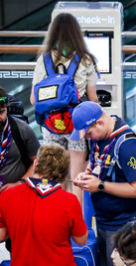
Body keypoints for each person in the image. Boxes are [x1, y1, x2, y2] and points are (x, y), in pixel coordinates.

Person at [0, 145, 88, 266]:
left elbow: (1, 235)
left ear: (36, 164)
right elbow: (81, 240)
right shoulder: (68, 201)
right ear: (63, 173)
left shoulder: (7, 196)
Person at [72, 101, 136, 266]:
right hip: (105, 222)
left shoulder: (128, 146)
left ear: (99, 122)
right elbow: (101, 166)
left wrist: (99, 186)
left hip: (124, 225)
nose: (88, 137)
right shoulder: (100, 138)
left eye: (89, 133)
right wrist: (87, 175)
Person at [30, 13, 98, 204]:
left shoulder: (43, 60)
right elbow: (93, 99)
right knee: (77, 177)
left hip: (51, 125)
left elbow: (33, 99)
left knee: (53, 176)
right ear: (77, 33)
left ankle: (54, 219)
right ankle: (76, 224)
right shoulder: (86, 60)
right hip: (77, 126)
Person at [0, 88, 39, 192]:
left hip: (16, 194)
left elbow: (38, 161)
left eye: (1, 112)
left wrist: (21, 183)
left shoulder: (21, 128)